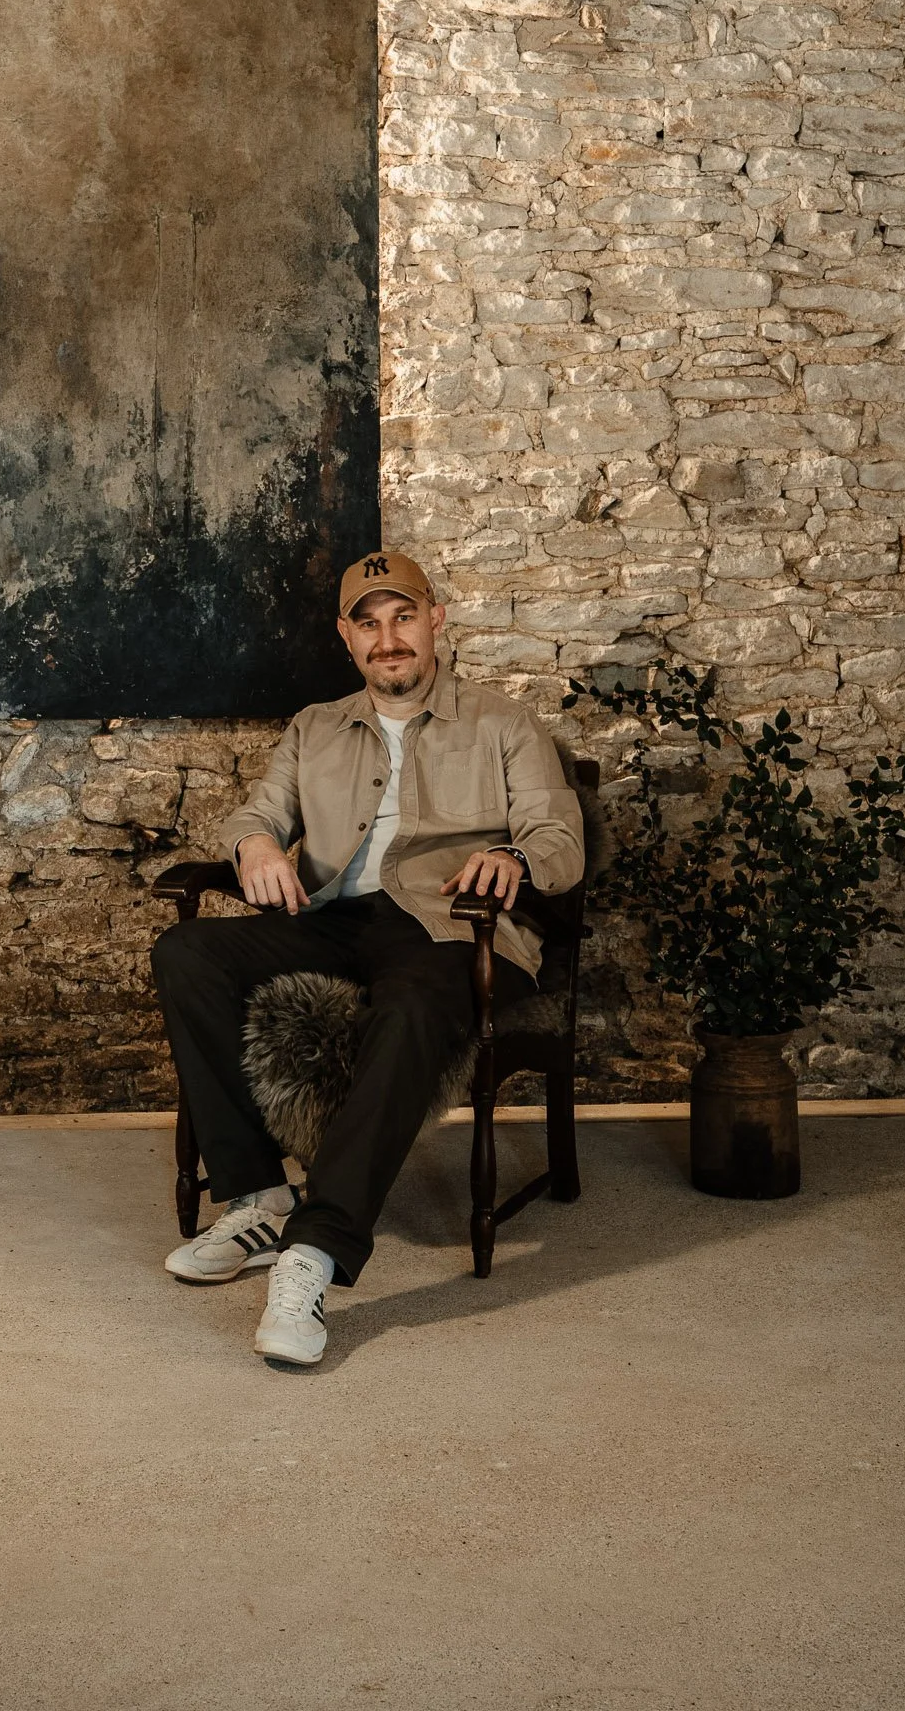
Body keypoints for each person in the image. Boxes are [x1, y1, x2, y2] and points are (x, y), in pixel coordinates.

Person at [150, 549, 583, 1368]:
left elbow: (560, 839)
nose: (390, 639)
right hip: (335, 917)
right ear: (347, 638)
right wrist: (255, 849)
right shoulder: (315, 727)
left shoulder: (503, 724)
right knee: (187, 953)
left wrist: (516, 862)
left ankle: (315, 1251)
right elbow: (256, 812)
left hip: (454, 923)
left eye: (404, 617)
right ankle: (259, 1198)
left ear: (436, 621)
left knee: (414, 1008)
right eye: (369, 623)